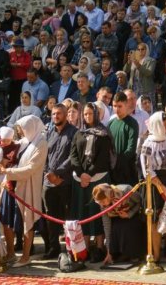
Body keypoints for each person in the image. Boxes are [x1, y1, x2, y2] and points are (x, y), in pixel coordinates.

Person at [0, 114, 45, 265]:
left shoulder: (41, 143)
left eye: (23, 128)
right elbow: (10, 155)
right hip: (12, 185)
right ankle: (11, 254)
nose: (22, 131)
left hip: (27, 187)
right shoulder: (24, 142)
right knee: (8, 220)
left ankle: (25, 256)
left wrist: (7, 172)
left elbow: (31, 168)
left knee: (27, 220)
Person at [140, 111, 166, 264]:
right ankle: (156, 255)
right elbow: (147, 170)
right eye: (164, 125)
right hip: (154, 185)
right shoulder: (147, 144)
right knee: (154, 221)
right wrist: (162, 187)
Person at [70, 101, 112, 257]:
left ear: (96, 114)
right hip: (81, 180)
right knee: (83, 213)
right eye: (85, 114)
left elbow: (102, 158)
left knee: (97, 212)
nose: (88, 117)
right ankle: (85, 247)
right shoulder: (78, 133)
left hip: (98, 178)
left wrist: (89, 174)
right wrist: (81, 174)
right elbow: (73, 155)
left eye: (90, 113)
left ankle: (100, 246)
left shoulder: (103, 133)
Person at [40, 102, 76, 258]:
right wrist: (49, 173)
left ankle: (71, 249)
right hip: (48, 182)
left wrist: (58, 174)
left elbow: (73, 157)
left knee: (69, 217)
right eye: (53, 114)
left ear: (66, 114)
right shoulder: (49, 133)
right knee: (50, 217)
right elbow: (44, 155)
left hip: (65, 182)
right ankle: (53, 248)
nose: (56, 116)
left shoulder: (74, 133)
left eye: (59, 114)